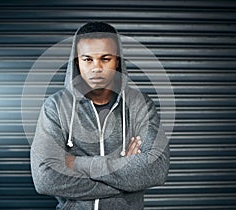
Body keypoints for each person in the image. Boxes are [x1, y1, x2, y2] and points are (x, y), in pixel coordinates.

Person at [30, 22, 170, 210]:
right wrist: (125, 174)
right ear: (77, 62)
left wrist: (75, 163)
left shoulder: (140, 105)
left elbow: (156, 168)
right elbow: (46, 178)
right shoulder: (55, 107)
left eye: (105, 59)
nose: (96, 68)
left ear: (117, 61)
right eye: (87, 59)